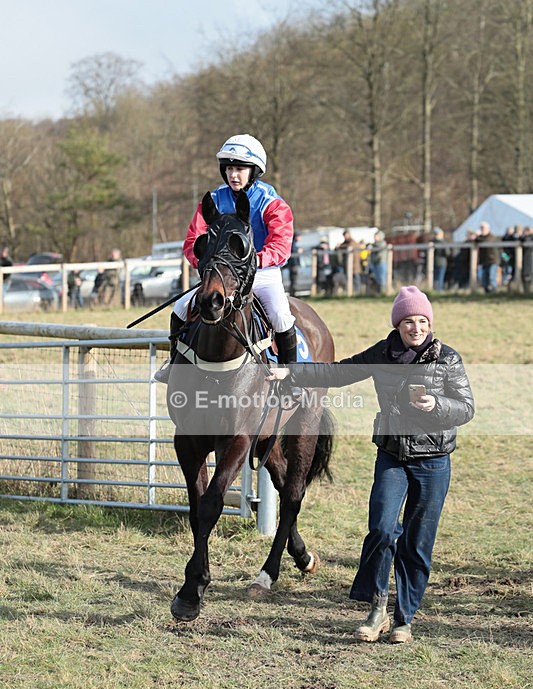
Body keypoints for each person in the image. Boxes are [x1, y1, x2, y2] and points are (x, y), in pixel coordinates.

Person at [268, 285, 475, 644]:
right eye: (408, 321)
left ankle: (404, 619)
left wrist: (437, 406)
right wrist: (293, 373)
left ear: (430, 323)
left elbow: (466, 407)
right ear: (397, 324)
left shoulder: (448, 358)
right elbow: (338, 373)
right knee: (380, 529)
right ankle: (377, 608)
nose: (416, 327)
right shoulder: (383, 353)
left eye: (422, 320)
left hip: (434, 461)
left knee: (417, 541)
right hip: (392, 457)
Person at [154, 134, 296, 383]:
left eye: (239, 169)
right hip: (222, 275)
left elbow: (281, 246)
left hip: (261, 272)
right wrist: (207, 264)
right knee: (179, 308)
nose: (233, 175)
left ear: (254, 171)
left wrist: (254, 261)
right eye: (229, 168)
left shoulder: (272, 203)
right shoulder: (214, 201)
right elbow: (192, 241)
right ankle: (175, 363)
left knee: (281, 316)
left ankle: (292, 374)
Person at [476, 221, 500, 293]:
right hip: (484, 261)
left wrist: (478, 236)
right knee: (484, 277)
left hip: (492, 260)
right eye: (481, 228)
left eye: (483, 228)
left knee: (492, 276)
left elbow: (485, 241)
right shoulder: (480, 238)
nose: (482, 230)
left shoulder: (491, 237)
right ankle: (487, 292)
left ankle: (494, 291)